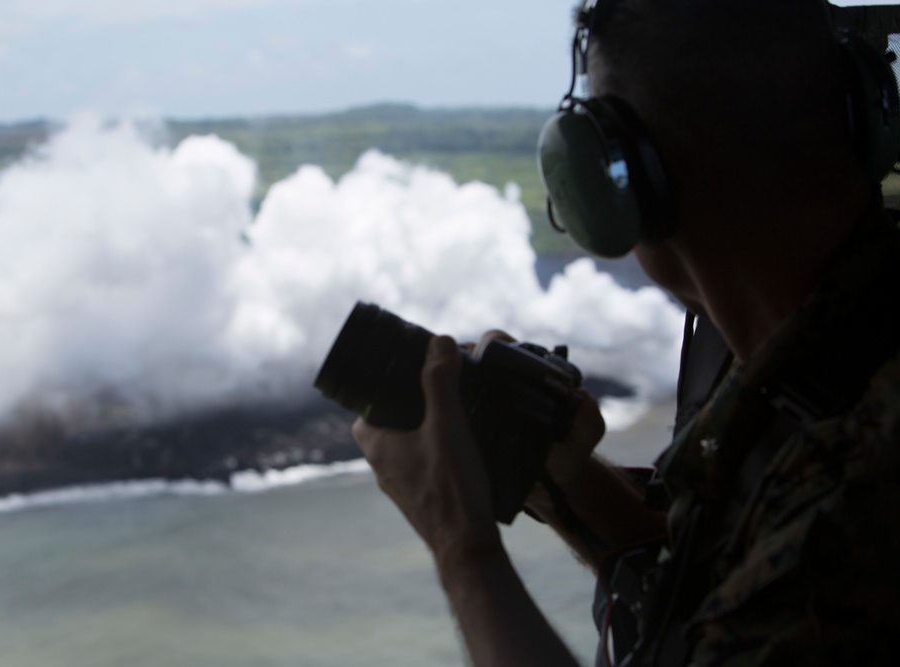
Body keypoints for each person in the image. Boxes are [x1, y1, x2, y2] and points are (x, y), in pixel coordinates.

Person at [352, 0, 900, 665]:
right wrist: (568, 482)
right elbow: (723, 583)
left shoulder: (846, 502)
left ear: (616, 180)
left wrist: (461, 543)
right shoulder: (795, 358)